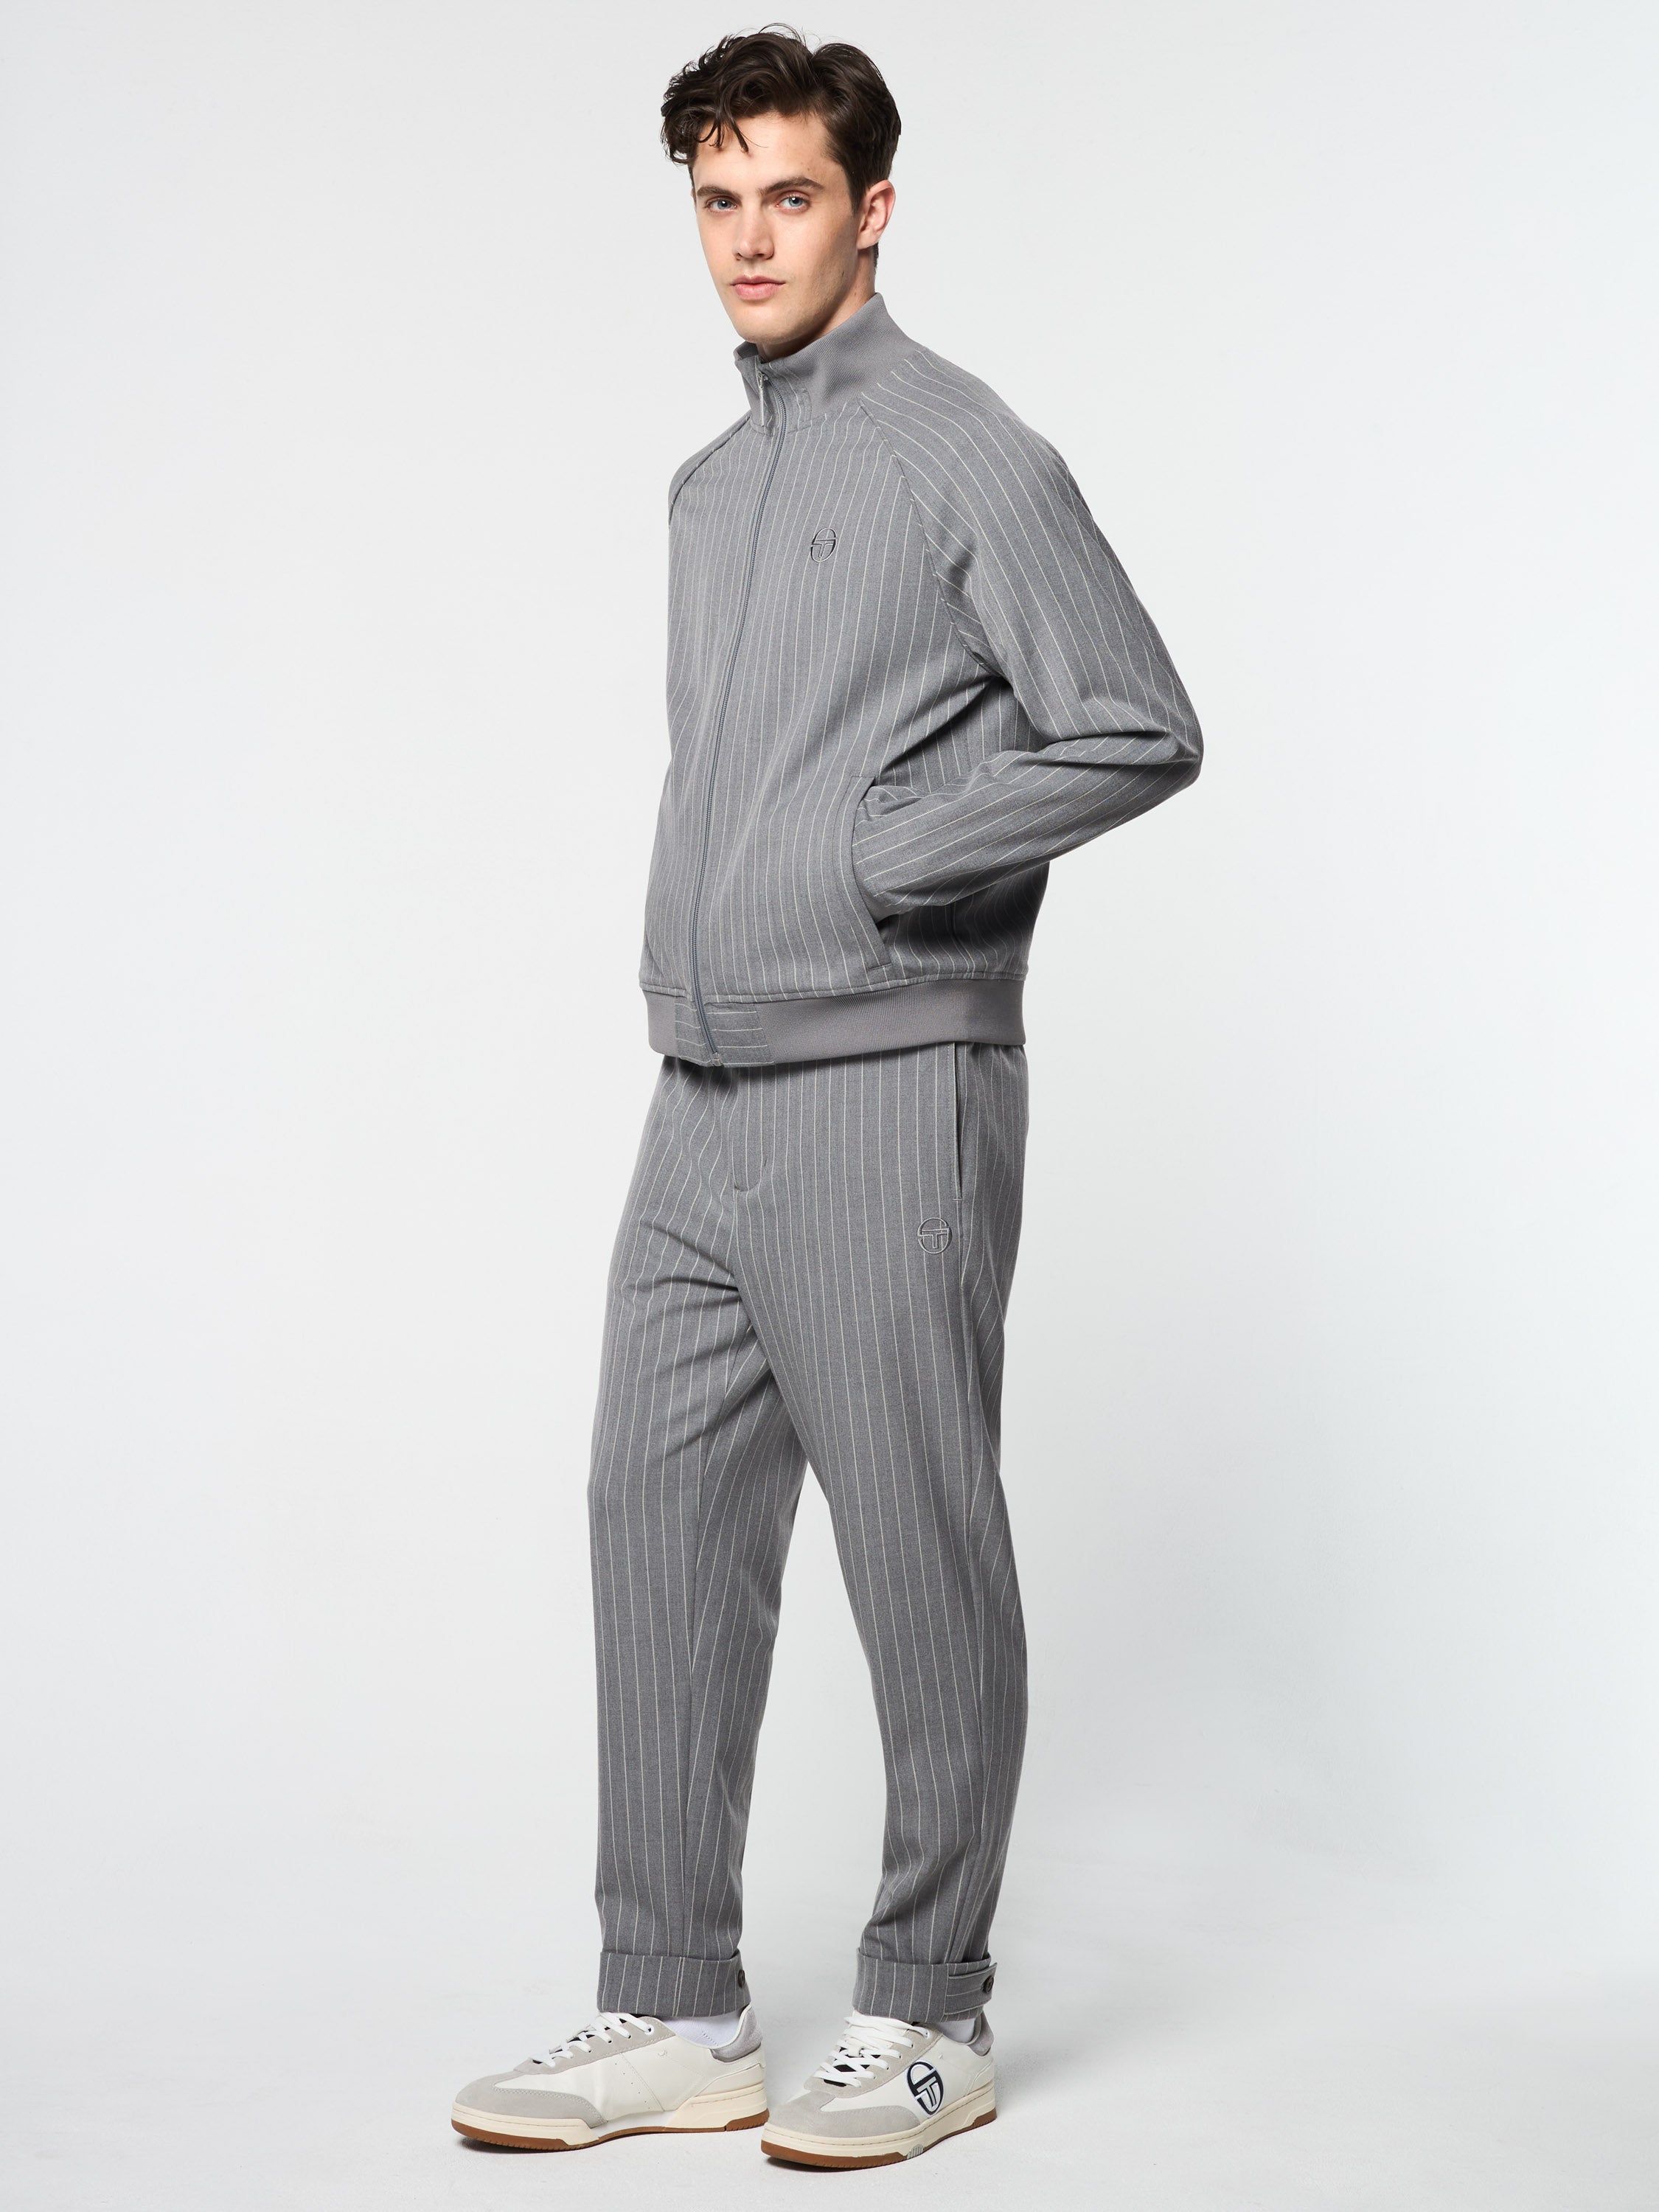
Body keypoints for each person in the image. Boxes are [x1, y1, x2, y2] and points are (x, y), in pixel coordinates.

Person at [451, 26, 1202, 2169]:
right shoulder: (710, 488)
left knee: (914, 1540)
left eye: (786, 196)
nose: (748, 239)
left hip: (888, 1078)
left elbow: (1136, 723)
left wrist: (883, 858)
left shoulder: (966, 452)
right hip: (699, 1086)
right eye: (717, 201)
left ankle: (930, 2010)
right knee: (654, 1517)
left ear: (871, 208)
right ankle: (676, 2001)